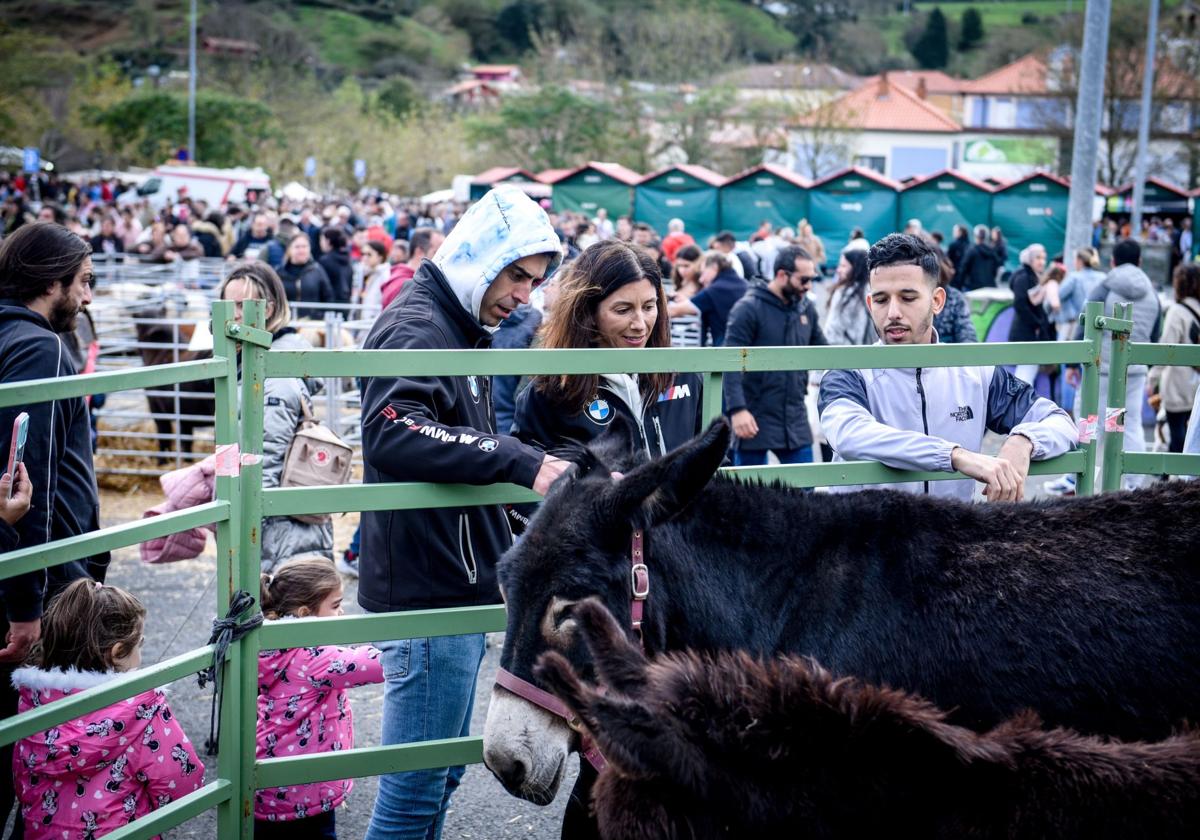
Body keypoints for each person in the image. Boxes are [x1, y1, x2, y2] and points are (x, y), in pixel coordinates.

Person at [358, 186, 568, 840]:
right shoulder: (418, 325)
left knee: (438, 775)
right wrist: (513, 459)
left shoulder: (459, 327)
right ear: (484, 254)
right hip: (426, 590)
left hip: (449, 578)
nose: (525, 297)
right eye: (517, 275)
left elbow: (448, 441)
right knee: (415, 787)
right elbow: (391, 428)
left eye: (535, 282)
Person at [818, 233, 1076, 502]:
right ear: (870, 305)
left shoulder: (977, 372)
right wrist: (955, 456)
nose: (893, 312)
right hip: (870, 540)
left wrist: (1024, 440)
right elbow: (849, 433)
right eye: (881, 300)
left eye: (908, 297)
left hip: (952, 539)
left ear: (937, 301)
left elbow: (1061, 423)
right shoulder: (846, 371)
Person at [0, 222, 110, 830]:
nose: (88, 297)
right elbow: (25, 478)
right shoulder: (40, 347)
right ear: (53, 281)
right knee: (42, 753)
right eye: (84, 282)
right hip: (42, 580)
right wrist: (26, 603)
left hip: (26, 566)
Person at [11, 579, 205, 839]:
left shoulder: (33, 703)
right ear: (116, 653)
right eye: (140, 644)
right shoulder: (141, 710)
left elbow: (22, 780)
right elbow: (182, 783)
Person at [513, 240, 704, 458]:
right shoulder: (549, 392)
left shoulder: (684, 376)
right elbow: (530, 480)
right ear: (588, 313)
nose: (640, 324)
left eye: (649, 307)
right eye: (623, 310)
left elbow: (714, 465)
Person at [255, 558, 384, 838]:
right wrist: (396, 639)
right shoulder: (313, 655)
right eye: (336, 606)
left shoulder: (271, 645)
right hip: (307, 791)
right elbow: (375, 665)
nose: (341, 613)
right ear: (305, 613)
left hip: (269, 784)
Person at [219, 263, 335, 571]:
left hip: (279, 537)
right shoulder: (260, 362)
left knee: (282, 609)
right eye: (228, 305)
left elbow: (265, 460)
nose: (235, 314)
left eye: (243, 305)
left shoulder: (271, 375)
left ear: (268, 309)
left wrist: (247, 530)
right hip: (287, 530)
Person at [724, 245, 826, 466]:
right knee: (749, 496)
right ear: (782, 275)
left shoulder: (806, 308)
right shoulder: (747, 308)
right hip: (754, 416)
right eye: (804, 279)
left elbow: (824, 352)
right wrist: (738, 410)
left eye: (812, 279)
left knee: (805, 493)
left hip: (795, 417)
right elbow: (729, 361)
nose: (809, 286)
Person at [1149, 263, 1200, 454]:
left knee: (1177, 437)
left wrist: (1153, 378)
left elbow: (1165, 349)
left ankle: (1176, 478)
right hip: (1197, 385)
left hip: (1178, 385)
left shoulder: (1176, 311)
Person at [668, 251, 748, 346]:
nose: (701, 279)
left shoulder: (715, 290)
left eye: (703, 273)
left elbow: (674, 311)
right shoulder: (745, 285)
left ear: (714, 267)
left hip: (725, 350)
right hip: (748, 349)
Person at [1007, 243, 1056, 385]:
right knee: (1025, 375)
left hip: (1030, 333)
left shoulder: (1031, 276)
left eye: (1043, 258)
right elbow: (1020, 304)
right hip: (1026, 335)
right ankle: (1019, 405)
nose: (1042, 262)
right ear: (1030, 259)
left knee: (1027, 373)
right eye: (1038, 258)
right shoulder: (1024, 277)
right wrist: (1037, 323)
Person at [380, 227, 443, 310]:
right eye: (437, 252)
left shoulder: (410, 281)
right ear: (419, 252)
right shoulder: (403, 286)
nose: (442, 258)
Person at [276, 232, 334, 320]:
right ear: (289, 249)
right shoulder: (279, 272)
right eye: (297, 247)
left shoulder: (317, 271)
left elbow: (328, 297)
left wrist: (319, 316)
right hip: (286, 323)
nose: (301, 250)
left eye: (304, 246)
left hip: (312, 325)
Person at [824, 249, 875, 346]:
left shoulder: (844, 294)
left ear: (856, 268)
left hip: (845, 354)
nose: (838, 270)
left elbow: (832, 332)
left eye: (843, 266)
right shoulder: (873, 291)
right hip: (870, 353)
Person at [1056, 247, 1106, 339]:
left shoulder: (1074, 277)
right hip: (1098, 327)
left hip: (1076, 327)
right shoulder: (1103, 277)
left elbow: (1058, 296)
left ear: (1079, 261)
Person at [957, 224, 1002, 291]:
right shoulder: (992, 252)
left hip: (973, 287)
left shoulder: (971, 251)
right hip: (989, 286)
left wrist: (959, 285)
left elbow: (963, 268)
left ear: (975, 236)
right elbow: (996, 268)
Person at [318, 225, 354, 304]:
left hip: (330, 304)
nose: (320, 243)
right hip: (345, 302)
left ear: (328, 241)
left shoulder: (325, 260)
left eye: (321, 240)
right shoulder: (347, 258)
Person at [358, 240, 390, 321]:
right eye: (363, 254)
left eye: (369, 254)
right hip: (362, 319)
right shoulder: (363, 272)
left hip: (375, 321)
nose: (365, 257)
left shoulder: (386, 275)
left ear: (380, 256)